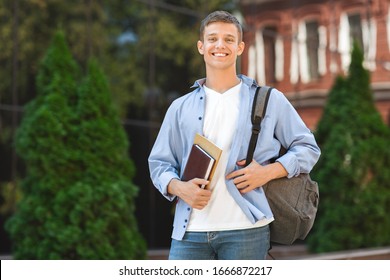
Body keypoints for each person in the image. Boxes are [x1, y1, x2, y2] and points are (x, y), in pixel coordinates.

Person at [148, 10, 320, 260]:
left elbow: (308, 147)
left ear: (240, 48)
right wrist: (179, 188)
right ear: (201, 46)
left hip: (247, 231)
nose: (220, 45)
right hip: (190, 233)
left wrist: (268, 172)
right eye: (212, 38)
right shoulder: (179, 107)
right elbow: (159, 164)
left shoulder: (268, 100)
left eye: (229, 39)